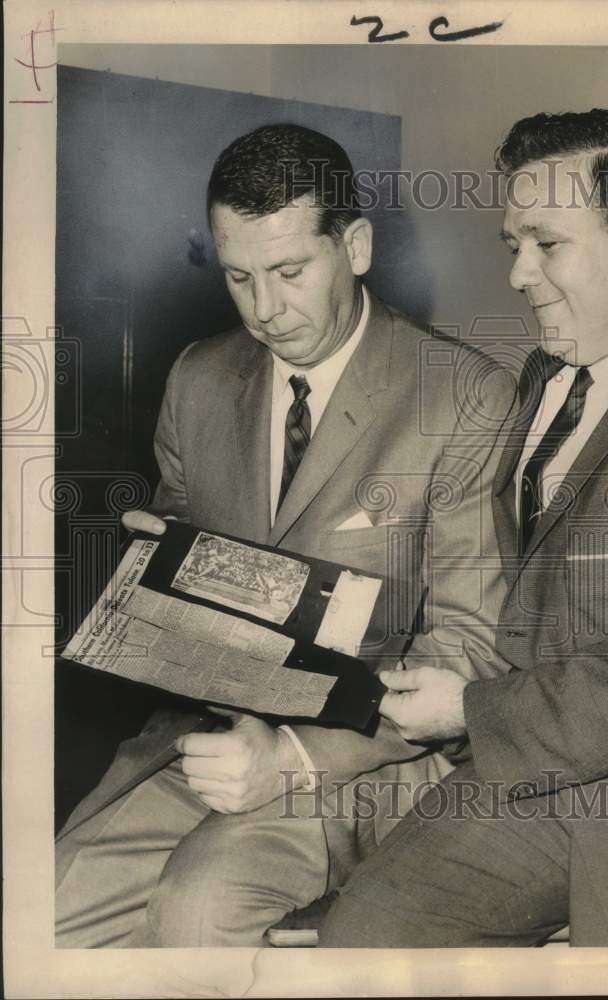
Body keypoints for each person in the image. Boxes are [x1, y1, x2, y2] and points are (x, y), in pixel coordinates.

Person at [55, 123, 517, 947]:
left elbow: (472, 649)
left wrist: (295, 761)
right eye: (239, 278)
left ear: (358, 246)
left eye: (290, 273)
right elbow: (185, 565)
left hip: (367, 765)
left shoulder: (463, 397)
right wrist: (150, 568)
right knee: (46, 909)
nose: (265, 311)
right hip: (206, 746)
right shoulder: (199, 377)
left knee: (195, 914)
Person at [319, 109, 608, 948]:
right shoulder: (545, 373)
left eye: (546, 244)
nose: (519, 274)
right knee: (361, 945)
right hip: (530, 767)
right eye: (511, 244)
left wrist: (469, 709)